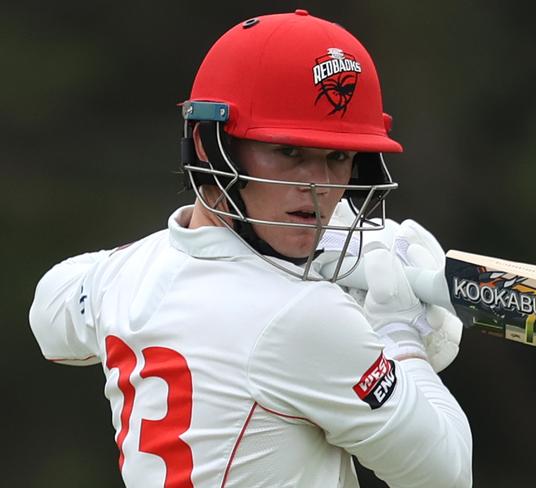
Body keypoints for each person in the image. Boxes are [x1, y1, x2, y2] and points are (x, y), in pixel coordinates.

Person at [29, 10, 472, 488]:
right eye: (289, 152)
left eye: (338, 157)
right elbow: (445, 474)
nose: (319, 188)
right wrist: (400, 337)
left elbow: (49, 316)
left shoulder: (123, 276)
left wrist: (152, 259)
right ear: (208, 145)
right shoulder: (304, 316)